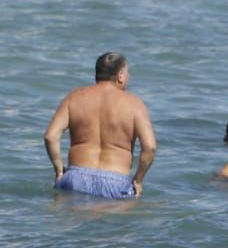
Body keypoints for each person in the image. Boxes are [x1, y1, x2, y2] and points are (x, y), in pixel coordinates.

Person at [43, 52, 157, 200]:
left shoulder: (74, 97)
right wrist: (138, 180)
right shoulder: (135, 104)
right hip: (115, 183)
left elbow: (50, 137)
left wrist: (59, 169)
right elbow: (150, 147)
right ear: (120, 76)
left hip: (74, 179)